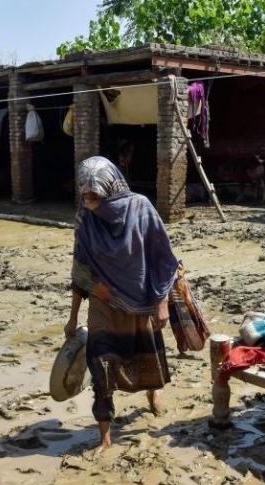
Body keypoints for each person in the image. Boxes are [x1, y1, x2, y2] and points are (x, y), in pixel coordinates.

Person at [64, 156, 180, 451]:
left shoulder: (140, 208)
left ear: (112, 190)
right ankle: (105, 437)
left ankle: (153, 395)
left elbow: (163, 259)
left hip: (142, 299)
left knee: (148, 356)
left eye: (96, 196)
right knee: (100, 365)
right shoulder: (85, 218)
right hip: (104, 303)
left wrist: (162, 301)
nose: (90, 202)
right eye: (86, 195)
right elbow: (81, 269)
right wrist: (73, 316)